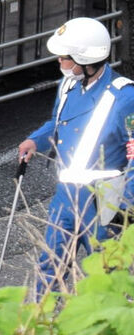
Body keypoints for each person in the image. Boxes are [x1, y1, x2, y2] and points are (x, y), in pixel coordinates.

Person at [17, 17, 134, 292]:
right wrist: (35, 141)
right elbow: (57, 124)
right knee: (49, 266)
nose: (60, 62)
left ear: (85, 58)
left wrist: (126, 206)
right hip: (65, 196)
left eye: (65, 58)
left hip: (103, 200)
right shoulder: (67, 85)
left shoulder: (125, 98)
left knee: (104, 276)